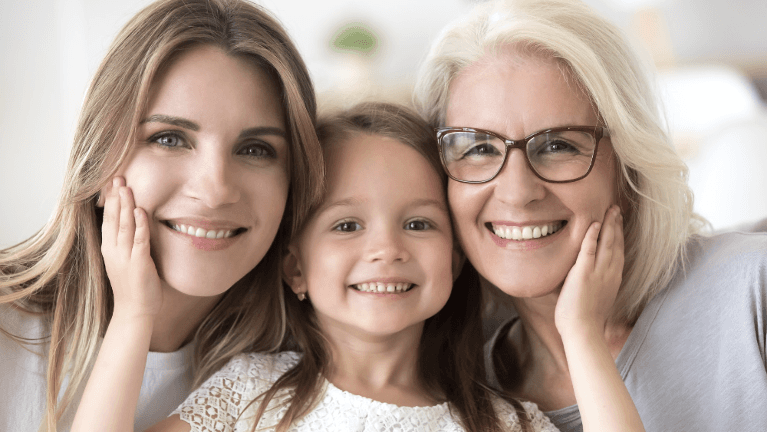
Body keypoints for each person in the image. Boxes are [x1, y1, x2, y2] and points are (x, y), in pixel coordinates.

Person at [101, 102, 644, 432]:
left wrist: (582, 336)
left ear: (455, 261)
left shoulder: (505, 423)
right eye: (346, 226)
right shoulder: (250, 395)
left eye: (418, 224)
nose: (387, 250)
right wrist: (133, 317)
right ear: (296, 268)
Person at [413, 0, 767, 431]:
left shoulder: (752, 292)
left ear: (628, 164)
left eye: (559, 145)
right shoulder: (458, 399)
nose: (517, 192)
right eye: (478, 148)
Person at [0, 0, 323, 430]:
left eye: (255, 149)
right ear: (100, 158)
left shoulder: (299, 379)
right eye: (170, 138)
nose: (215, 191)